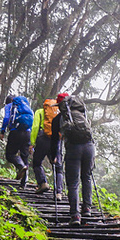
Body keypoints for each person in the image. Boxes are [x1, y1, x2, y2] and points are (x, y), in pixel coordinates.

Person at [51, 93, 95, 225]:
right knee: (86, 177)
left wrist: (54, 156)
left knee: (73, 182)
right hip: (89, 147)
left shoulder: (59, 118)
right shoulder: (82, 114)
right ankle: (87, 208)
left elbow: (54, 141)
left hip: (74, 149)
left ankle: (75, 216)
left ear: (60, 106)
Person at [30, 97, 63, 196]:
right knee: (58, 167)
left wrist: (32, 143)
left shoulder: (40, 112)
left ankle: (42, 183)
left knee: (37, 162)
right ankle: (58, 192)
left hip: (43, 138)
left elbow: (35, 127)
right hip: (56, 139)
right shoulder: (59, 113)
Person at [0, 94, 33, 187]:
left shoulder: (10, 106)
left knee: (10, 155)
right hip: (27, 133)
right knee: (25, 156)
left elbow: (6, 118)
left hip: (15, 132)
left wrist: (2, 131)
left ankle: (20, 166)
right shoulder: (26, 106)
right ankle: (24, 182)